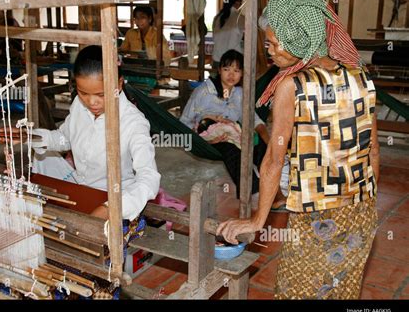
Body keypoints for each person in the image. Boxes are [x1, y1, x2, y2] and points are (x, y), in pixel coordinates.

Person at [218, 0, 380, 300]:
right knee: (341, 291)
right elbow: (373, 150)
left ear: (299, 39)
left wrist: (257, 220)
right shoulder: (360, 75)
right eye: (267, 42)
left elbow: (273, 160)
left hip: (316, 218)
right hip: (362, 213)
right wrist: (363, 201)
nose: (270, 50)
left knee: (297, 292)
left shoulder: (292, 86)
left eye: (274, 43)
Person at [31, 45, 161, 224]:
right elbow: (65, 139)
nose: (92, 102)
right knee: (42, 158)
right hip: (83, 189)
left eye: (101, 94)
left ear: (119, 84)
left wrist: (110, 209)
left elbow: (149, 178)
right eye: (83, 92)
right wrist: (29, 137)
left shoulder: (133, 122)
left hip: (115, 199)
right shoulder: (79, 105)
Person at [180, 49, 287, 210]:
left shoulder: (239, 93)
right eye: (226, 69)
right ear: (219, 70)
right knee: (233, 152)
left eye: (236, 70)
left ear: (242, 73)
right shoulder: (203, 92)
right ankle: (254, 194)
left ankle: (275, 192)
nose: (231, 75)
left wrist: (268, 140)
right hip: (207, 139)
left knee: (262, 150)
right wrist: (202, 139)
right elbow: (184, 122)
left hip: (232, 134)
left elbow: (252, 119)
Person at [211, 0, 244, 71]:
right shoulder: (240, 18)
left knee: (216, 83)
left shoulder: (218, 17)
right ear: (238, 2)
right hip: (231, 62)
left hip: (216, 59)